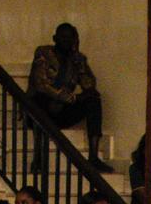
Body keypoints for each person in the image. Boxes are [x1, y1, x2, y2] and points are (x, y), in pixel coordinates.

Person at [27, 23, 105, 160]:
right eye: (63, 37)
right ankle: (38, 157)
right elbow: (41, 85)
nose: (66, 41)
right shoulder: (43, 52)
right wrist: (71, 98)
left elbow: (89, 85)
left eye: (70, 38)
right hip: (40, 109)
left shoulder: (77, 59)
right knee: (39, 100)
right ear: (55, 38)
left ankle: (93, 157)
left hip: (61, 111)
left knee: (93, 99)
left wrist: (78, 61)